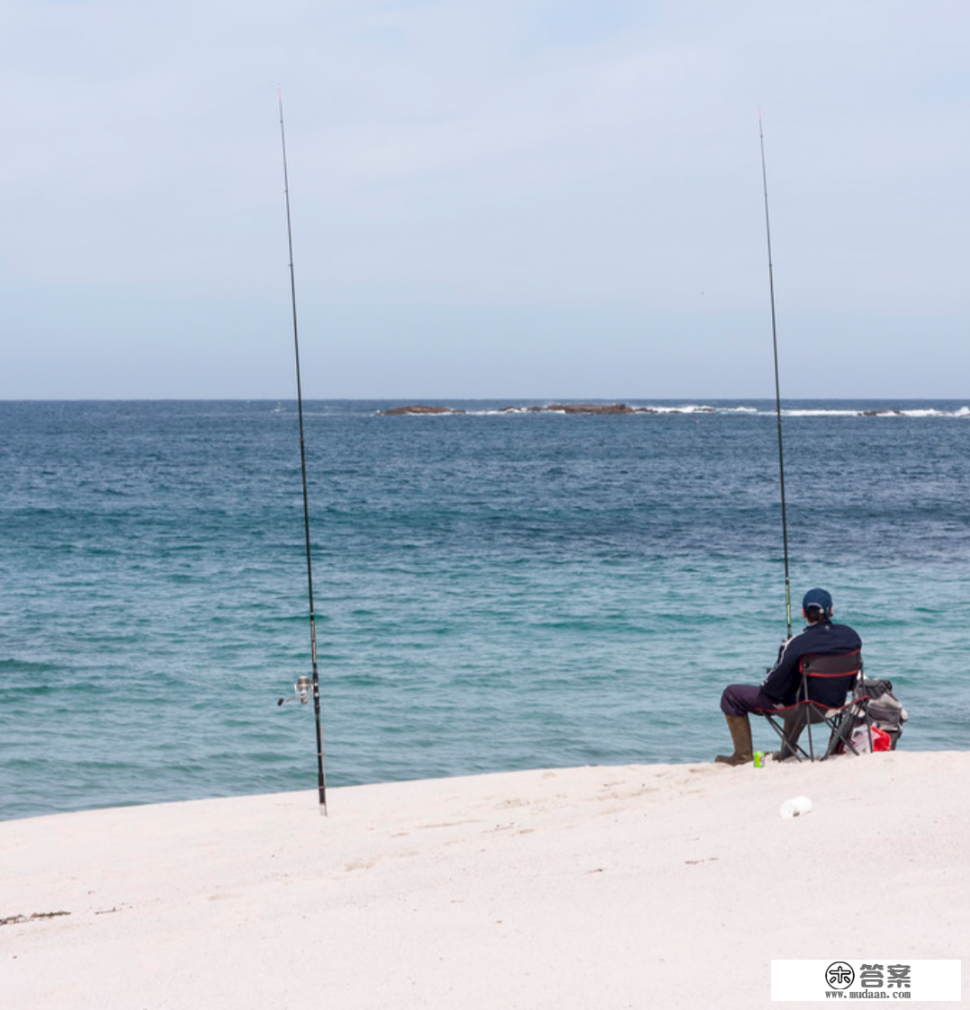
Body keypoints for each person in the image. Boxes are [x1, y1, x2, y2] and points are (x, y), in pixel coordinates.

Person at [715, 588, 862, 765]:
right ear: (831, 611)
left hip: (804, 708)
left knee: (731, 695)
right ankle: (786, 752)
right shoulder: (851, 636)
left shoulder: (797, 643)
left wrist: (780, 659)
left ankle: (743, 756)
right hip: (834, 706)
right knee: (799, 690)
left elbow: (772, 689)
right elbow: (851, 681)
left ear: (803, 613)